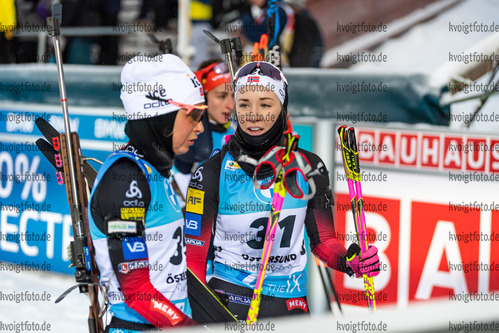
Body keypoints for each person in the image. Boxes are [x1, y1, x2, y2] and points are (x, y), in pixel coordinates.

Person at [185, 61, 380, 319]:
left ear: (282, 108)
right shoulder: (210, 173)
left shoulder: (309, 167)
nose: (253, 114)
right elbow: (193, 262)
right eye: (244, 104)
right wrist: (200, 316)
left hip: (289, 301)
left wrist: (350, 262)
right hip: (230, 300)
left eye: (265, 104)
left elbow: (323, 241)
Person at [88, 54, 206, 331]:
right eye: (194, 115)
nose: (200, 126)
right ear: (161, 117)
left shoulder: (155, 172)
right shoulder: (127, 178)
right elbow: (136, 288)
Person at [173, 58, 236, 198]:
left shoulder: (238, 131)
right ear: (204, 97)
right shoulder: (187, 134)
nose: (230, 105)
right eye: (221, 96)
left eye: (233, 96)